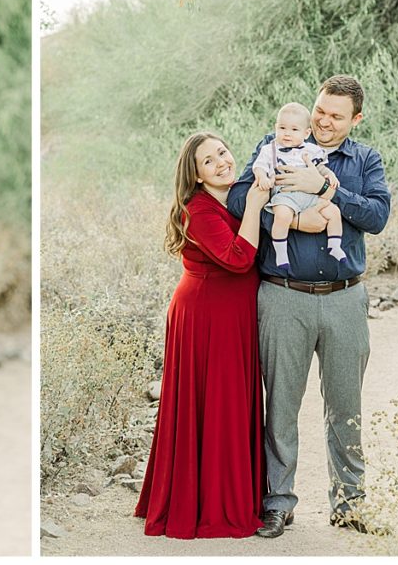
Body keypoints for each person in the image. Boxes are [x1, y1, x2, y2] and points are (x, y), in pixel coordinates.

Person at [227, 75, 391, 538]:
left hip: (345, 298)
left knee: (346, 406)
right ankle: (279, 503)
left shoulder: (364, 159)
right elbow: (238, 199)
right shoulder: (276, 142)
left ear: (356, 119)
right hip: (282, 295)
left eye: (336, 116)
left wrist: (326, 188)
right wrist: (278, 201)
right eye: (321, 110)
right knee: (280, 404)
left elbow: (377, 216)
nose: (323, 121)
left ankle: (349, 503)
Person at [135, 132, 271, 538]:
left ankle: (234, 495)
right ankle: (213, 504)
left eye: (223, 153)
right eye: (209, 162)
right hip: (207, 316)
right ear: (195, 176)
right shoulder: (199, 209)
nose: (222, 163)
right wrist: (255, 206)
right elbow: (238, 257)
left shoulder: (229, 196)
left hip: (233, 314)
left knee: (229, 402)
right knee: (217, 404)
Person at [251, 102, 346, 272]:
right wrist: (262, 176)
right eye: (282, 128)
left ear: (306, 133)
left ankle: (335, 244)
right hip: (285, 194)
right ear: (275, 128)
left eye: (294, 130)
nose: (287, 134)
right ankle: (280, 251)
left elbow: (320, 168)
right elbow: (258, 166)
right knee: (282, 215)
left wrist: (330, 175)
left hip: (310, 195)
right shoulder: (270, 150)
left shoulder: (311, 150)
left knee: (333, 212)